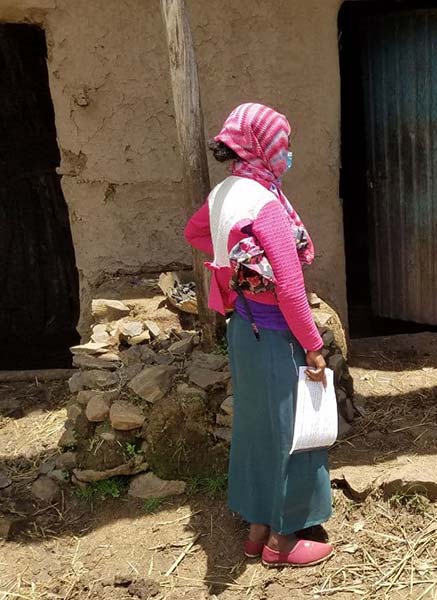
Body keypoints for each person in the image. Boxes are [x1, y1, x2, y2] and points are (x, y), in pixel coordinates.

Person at [184, 103, 334, 567]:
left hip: (241, 332)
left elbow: (194, 233)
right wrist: (313, 345)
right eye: (283, 145)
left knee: (255, 430)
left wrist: (235, 260)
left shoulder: (226, 192)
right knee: (294, 433)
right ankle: (284, 542)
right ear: (263, 149)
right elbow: (291, 288)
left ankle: (256, 529)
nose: (288, 154)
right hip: (275, 335)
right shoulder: (266, 204)